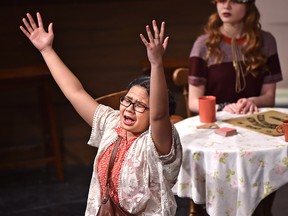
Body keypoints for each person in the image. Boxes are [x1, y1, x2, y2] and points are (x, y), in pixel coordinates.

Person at [20, 12, 182, 215]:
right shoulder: (111, 123)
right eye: (127, 100)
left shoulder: (156, 143)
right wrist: (46, 50)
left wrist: (156, 63)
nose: (129, 108)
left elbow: (159, 115)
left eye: (140, 105)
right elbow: (75, 92)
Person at [188, 0, 283, 114]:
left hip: (252, 117)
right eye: (222, 0)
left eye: (234, 1)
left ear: (248, 5)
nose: (226, 6)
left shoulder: (266, 41)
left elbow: (269, 97)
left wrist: (252, 101)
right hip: (217, 120)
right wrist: (222, 107)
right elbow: (193, 102)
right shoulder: (203, 44)